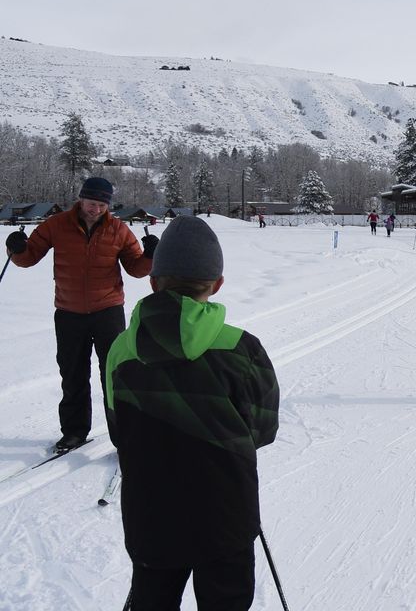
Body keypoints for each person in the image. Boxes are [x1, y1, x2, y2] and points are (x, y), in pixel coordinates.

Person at [107, 216, 279, 610]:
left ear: (153, 281)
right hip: (226, 516)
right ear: (217, 284)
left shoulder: (121, 349)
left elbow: (120, 430)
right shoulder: (241, 348)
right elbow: (262, 429)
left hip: (149, 516)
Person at [4, 177, 157, 453]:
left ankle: (125, 436)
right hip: (68, 312)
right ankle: (74, 432)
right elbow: (28, 258)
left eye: (101, 205)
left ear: (107, 205)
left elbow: (135, 268)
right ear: (81, 199)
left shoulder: (118, 229)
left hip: (108, 311)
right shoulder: (56, 224)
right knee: (72, 374)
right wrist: (16, 247)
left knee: (114, 374)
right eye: (91, 203)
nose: (95, 209)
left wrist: (150, 255)